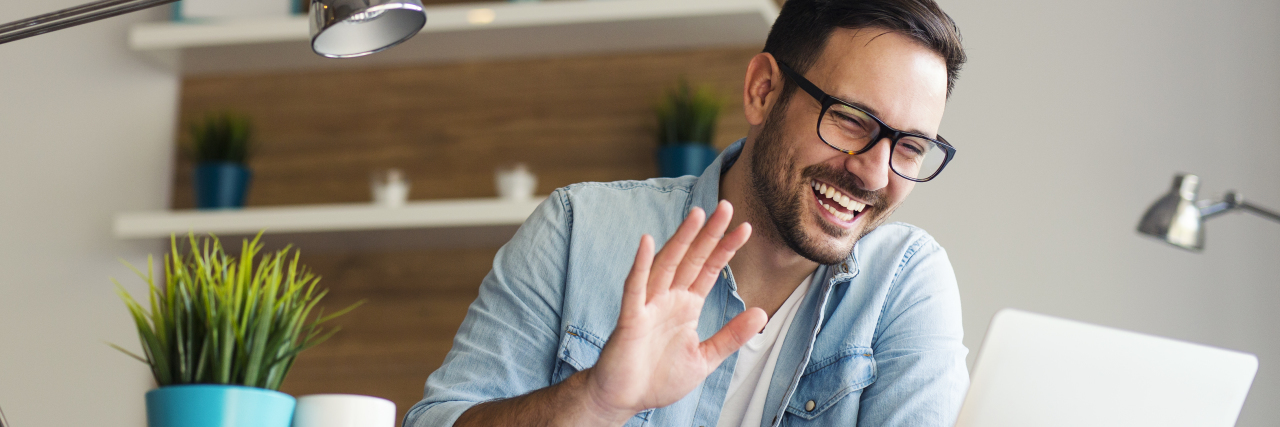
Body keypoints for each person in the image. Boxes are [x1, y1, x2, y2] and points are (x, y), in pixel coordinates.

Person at [405, 0, 968, 425]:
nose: (874, 172)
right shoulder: (578, 229)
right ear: (763, 91)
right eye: (850, 119)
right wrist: (594, 399)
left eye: (911, 148)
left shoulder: (903, 283)